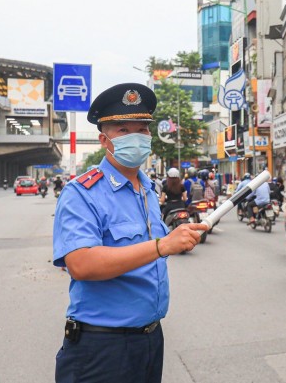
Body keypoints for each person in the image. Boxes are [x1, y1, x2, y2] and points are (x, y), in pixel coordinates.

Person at [53, 83, 208, 383]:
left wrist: (179, 240)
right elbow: (81, 264)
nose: (136, 137)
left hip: (150, 339)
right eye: (123, 130)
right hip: (102, 348)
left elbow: (146, 251)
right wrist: (162, 246)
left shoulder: (148, 188)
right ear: (104, 140)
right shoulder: (81, 193)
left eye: (142, 129)